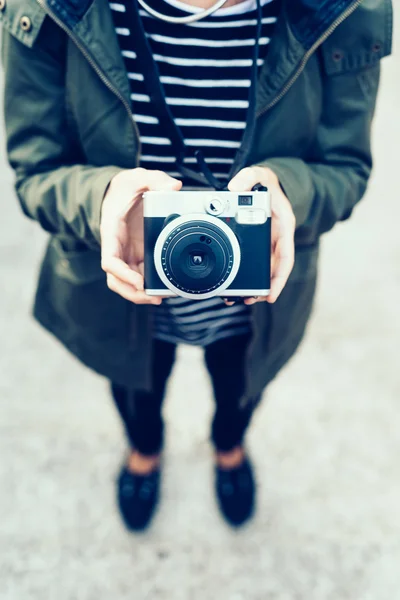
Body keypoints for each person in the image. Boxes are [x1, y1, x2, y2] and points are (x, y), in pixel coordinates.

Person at [0, 0, 392, 531]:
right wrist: (102, 199)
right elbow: (36, 171)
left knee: (241, 385)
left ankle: (229, 448)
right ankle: (144, 451)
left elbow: (346, 168)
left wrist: (289, 194)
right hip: (121, 285)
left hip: (252, 300)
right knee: (135, 383)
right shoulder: (50, 8)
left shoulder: (344, 10)